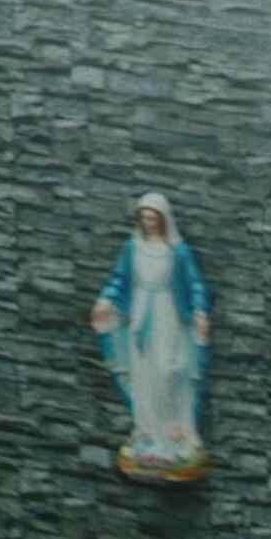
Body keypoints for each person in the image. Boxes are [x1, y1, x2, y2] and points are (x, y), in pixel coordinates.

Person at [88, 191, 213, 480]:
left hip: (168, 314)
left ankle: (175, 433)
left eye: (153, 217)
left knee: (170, 370)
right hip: (140, 313)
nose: (148, 222)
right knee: (144, 375)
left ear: (163, 219)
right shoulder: (133, 248)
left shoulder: (177, 252)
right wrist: (106, 301)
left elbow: (194, 283)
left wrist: (199, 311)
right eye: (144, 217)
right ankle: (148, 432)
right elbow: (119, 280)